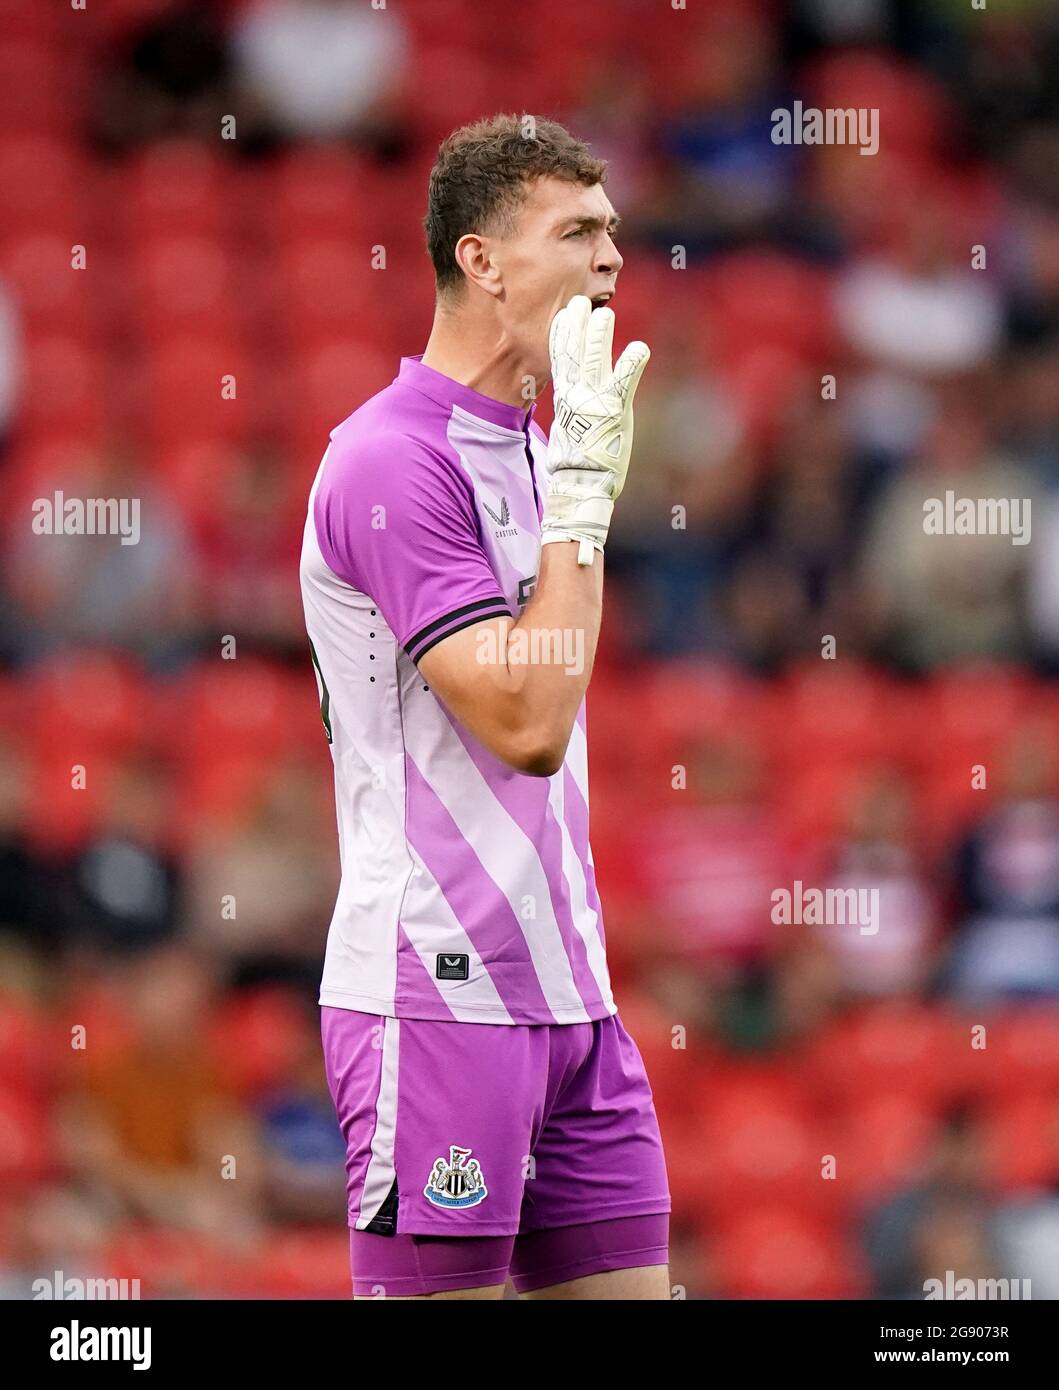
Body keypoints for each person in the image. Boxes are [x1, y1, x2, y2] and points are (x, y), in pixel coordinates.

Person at [299, 113, 669, 1300]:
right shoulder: (386, 461)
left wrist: (573, 483)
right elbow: (525, 722)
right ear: (481, 259)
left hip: (577, 1002)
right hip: (437, 992)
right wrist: (580, 504)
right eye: (579, 231)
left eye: (612, 230)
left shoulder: (542, 444)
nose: (613, 258)